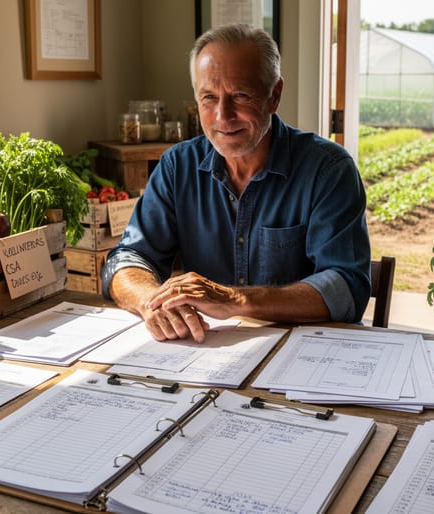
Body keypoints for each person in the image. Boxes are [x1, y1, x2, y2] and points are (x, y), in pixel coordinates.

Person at [101, 23, 371, 343]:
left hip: (300, 357)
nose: (222, 116)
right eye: (209, 97)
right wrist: (152, 302)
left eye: (240, 95)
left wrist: (234, 300)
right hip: (205, 352)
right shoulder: (177, 167)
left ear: (274, 96)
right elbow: (126, 259)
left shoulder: (328, 169)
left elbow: (347, 288)